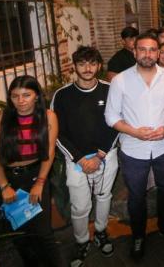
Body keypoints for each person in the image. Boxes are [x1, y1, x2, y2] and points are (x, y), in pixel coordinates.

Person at [104, 32, 164, 261]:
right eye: (143, 49)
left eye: (152, 50)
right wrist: (133, 131)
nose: (148, 54)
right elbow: (110, 116)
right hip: (133, 150)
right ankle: (138, 236)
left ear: (159, 53)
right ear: (135, 52)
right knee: (136, 196)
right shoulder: (120, 80)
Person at [51, 47, 119, 266]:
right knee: (80, 206)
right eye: (82, 64)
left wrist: (100, 155)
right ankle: (81, 241)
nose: (87, 68)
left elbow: (118, 124)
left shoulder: (111, 90)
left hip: (106, 155)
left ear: (99, 66)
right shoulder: (62, 95)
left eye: (92, 63)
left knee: (104, 196)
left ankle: (100, 232)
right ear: (74, 67)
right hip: (76, 160)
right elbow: (57, 132)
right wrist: (80, 159)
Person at [0, 75, 65, 266]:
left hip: (36, 176)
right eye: (15, 96)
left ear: (37, 96)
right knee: (20, 234)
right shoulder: (0, 118)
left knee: (44, 233)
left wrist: (40, 183)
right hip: (7, 180)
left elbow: (49, 152)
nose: (20, 101)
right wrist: (4, 186)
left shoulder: (48, 116)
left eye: (26, 95)